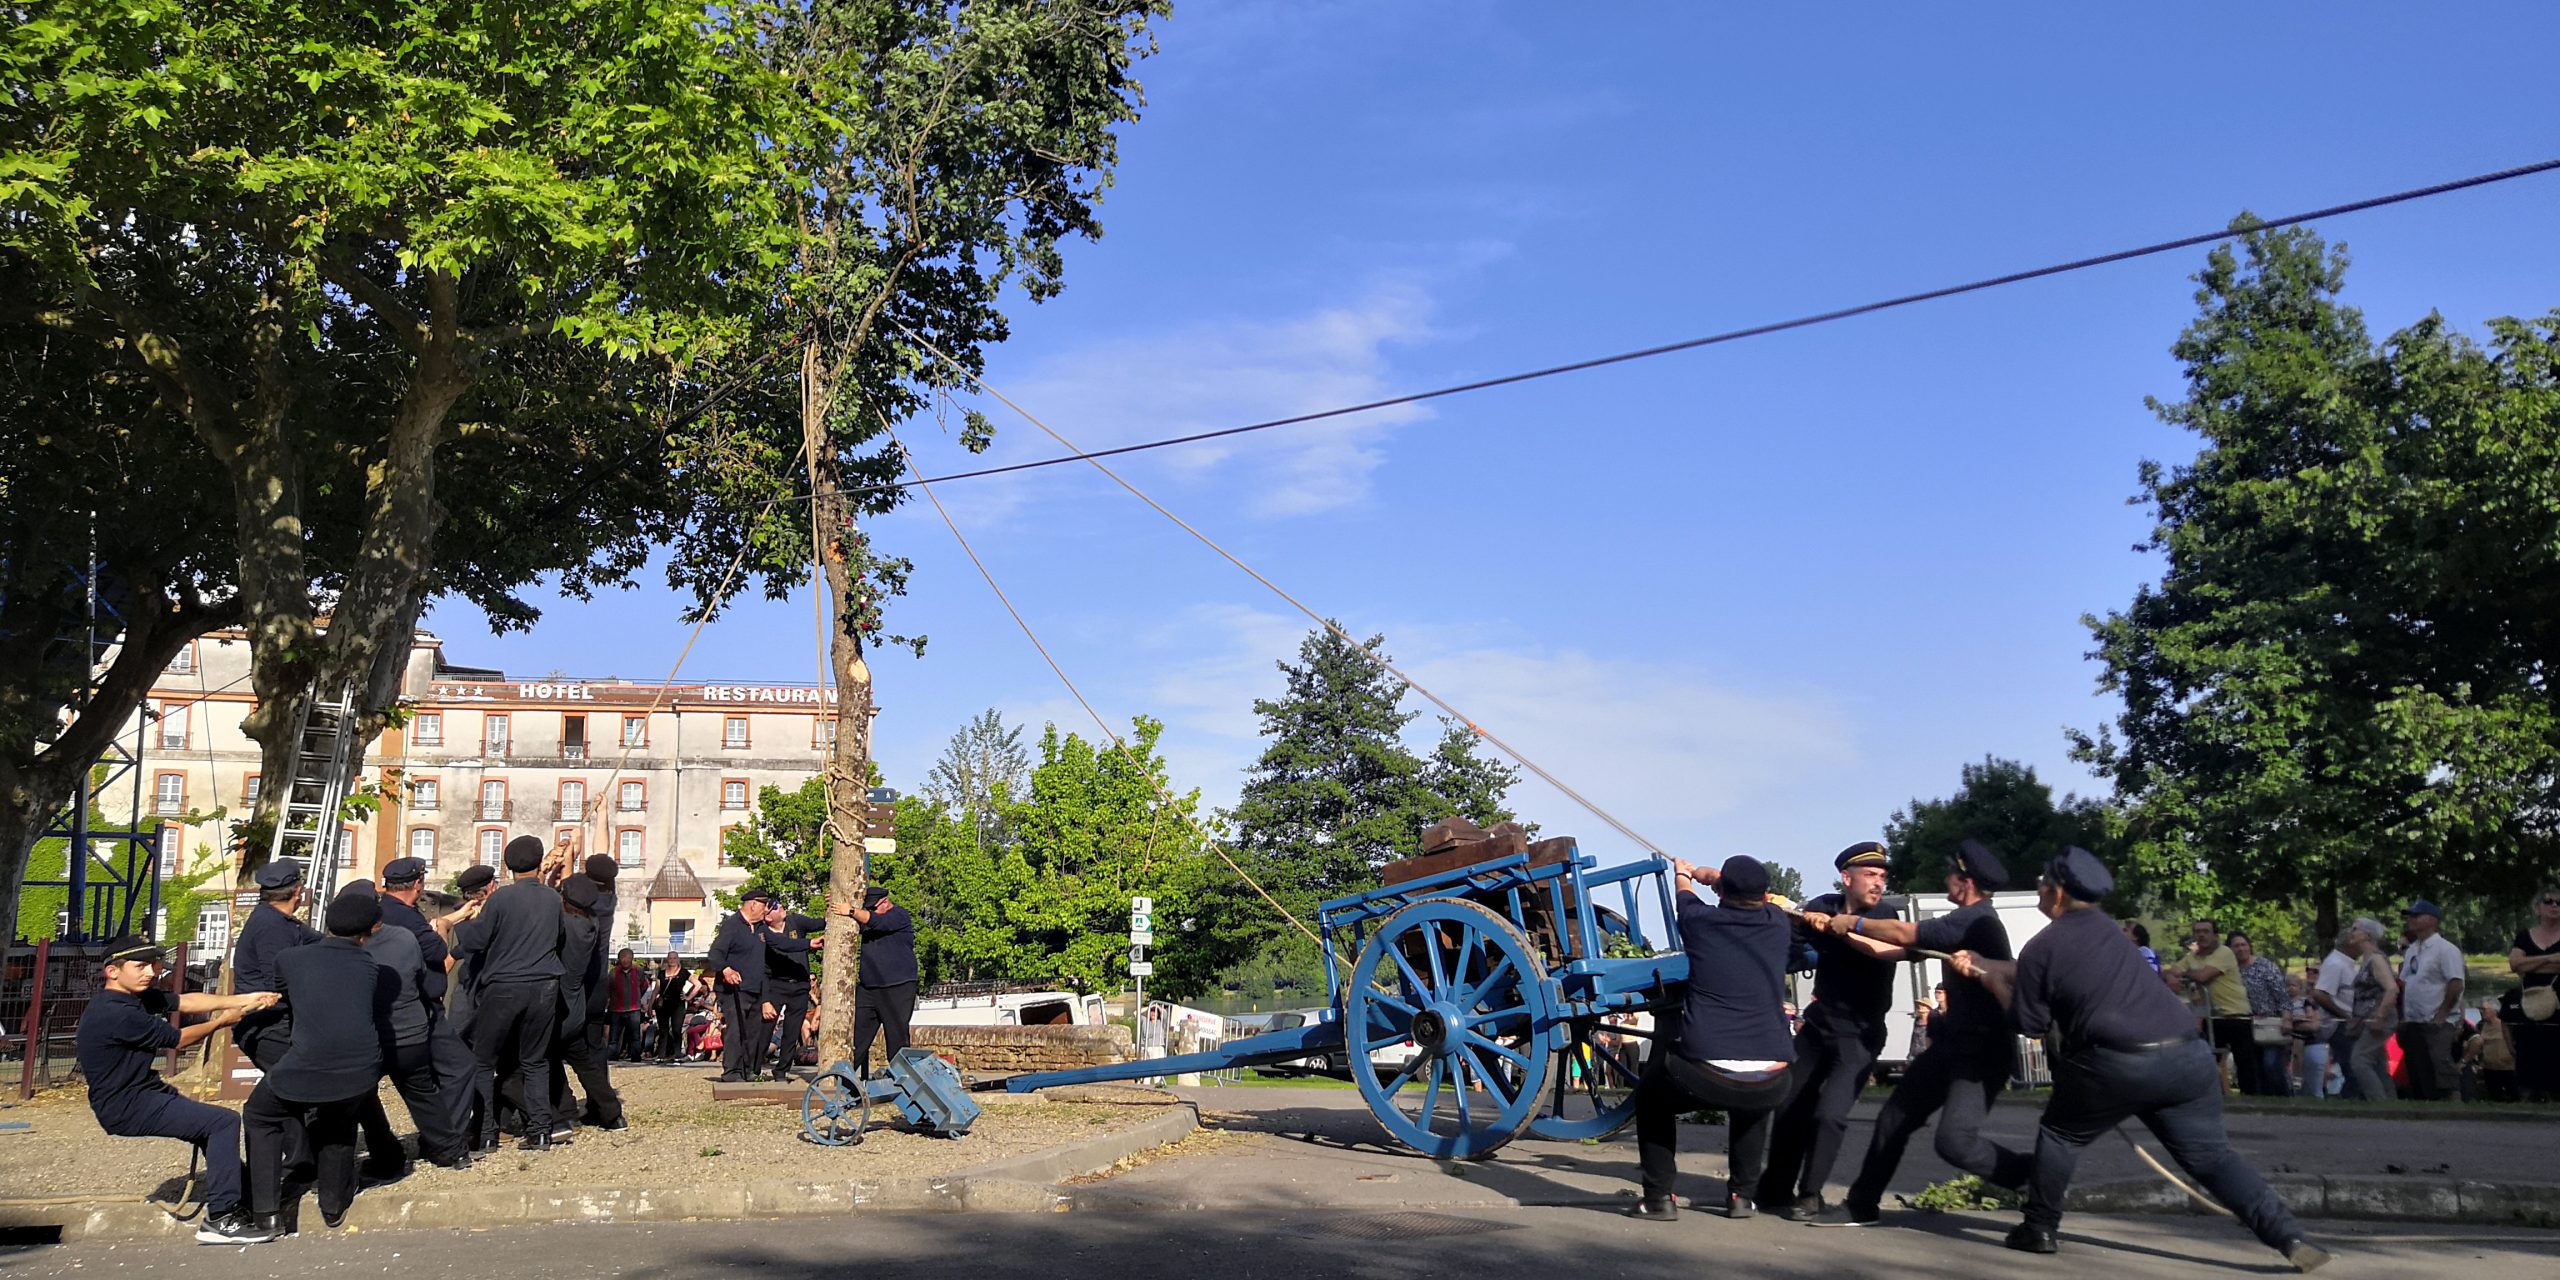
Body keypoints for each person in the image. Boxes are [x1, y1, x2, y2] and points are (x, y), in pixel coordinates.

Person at [1949, 848, 2328, 1271]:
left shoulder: (2043, 945)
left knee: (2060, 1135)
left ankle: (2039, 1228)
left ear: (2057, 894)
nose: (2038, 890)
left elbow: (2029, 1023)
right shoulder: (2113, 935)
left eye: (2042, 884)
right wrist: (1995, 968)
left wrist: (1985, 977)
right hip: (2187, 1057)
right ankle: (2289, 1237)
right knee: (2213, 1159)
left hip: (2114, 1062)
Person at [1803, 839, 2028, 1228]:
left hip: (1982, 1052)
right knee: (1893, 1119)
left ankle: (2033, 1176)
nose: (1946, 879)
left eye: (1951, 874)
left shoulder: (1976, 920)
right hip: (1953, 1044)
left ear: (1965, 882)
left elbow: (1902, 933)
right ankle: (1862, 1204)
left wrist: (1852, 921)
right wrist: (1833, 928)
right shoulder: (1967, 921)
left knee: (1955, 1143)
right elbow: (1885, 950)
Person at [76, 936, 279, 1245]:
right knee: (222, 1122)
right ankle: (222, 1219)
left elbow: (186, 1001)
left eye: (153, 965)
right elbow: (178, 1039)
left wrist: (244, 999)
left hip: (146, 1092)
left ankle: (246, 1197)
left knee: (208, 1129)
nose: (150, 972)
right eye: (140, 966)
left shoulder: (135, 998)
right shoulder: (116, 1013)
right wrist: (224, 1021)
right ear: (112, 972)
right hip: (126, 1105)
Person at [1624, 855, 1796, 1220]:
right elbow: (1773, 900)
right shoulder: (1778, 924)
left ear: (1722, 892)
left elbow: (1684, 892)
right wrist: (1717, 878)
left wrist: (1686, 873)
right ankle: (1741, 1197)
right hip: (1774, 1072)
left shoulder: (1700, 921)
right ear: (1764, 895)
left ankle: (1658, 1199)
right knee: (1753, 1098)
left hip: (1705, 1069)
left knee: (1652, 1097)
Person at [1755, 841, 1904, 1220]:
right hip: (1819, 1027)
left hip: (1861, 1032)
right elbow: (1794, 946)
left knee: (1830, 1115)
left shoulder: (1885, 916)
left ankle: (1810, 1194)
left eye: (1882, 876)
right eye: (1870, 875)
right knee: (1788, 1105)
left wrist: (1843, 929)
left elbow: (1879, 945)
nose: (1878, 883)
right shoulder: (1824, 906)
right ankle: (1775, 1189)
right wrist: (1794, 918)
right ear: (1846, 878)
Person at [244, 890, 393, 1233]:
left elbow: (283, 994)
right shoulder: (370, 966)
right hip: (362, 1067)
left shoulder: (290, 959)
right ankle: (333, 1204)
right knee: (340, 1122)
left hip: (307, 1062)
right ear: (371, 930)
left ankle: (266, 1211)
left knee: (260, 1114)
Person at [336, 879, 468, 1169]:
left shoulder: (342, 951)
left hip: (370, 1037)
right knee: (423, 1093)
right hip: (411, 1031)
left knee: (361, 1098)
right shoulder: (404, 938)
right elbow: (422, 973)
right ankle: (452, 1152)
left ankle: (387, 1158)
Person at [450, 835, 567, 1150]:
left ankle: (486, 1134)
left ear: (508, 865)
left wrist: (452, 927)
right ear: (538, 860)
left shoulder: (501, 899)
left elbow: (478, 941)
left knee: (483, 1061)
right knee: (535, 1060)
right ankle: (541, 1131)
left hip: (505, 985)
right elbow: (559, 937)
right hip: (545, 984)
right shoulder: (553, 898)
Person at [550, 874, 624, 1130]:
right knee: (584, 1062)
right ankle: (613, 1113)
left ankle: (565, 1110)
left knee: (546, 1058)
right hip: (577, 1002)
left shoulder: (564, 926)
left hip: (559, 1004)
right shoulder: (591, 923)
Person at [837, 884, 919, 1078]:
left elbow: (877, 922)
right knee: (857, 1037)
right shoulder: (867, 918)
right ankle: (844, 1082)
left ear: (884, 902)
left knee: (896, 1037)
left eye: (872, 907)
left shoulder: (898, 916)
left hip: (898, 986)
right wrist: (835, 903)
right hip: (869, 988)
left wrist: (850, 910)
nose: (869, 911)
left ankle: (904, 1080)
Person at [2169, 919, 2255, 1094]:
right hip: (2213, 1017)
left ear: (2215, 935)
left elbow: (2203, 976)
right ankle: (2209, 1097)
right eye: (2197, 931)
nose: (2201, 935)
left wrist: (2183, 974)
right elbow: (2170, 971)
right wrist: (2170, 976)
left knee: (2245, 1063)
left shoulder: (2224, 953)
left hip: (2236, 1015)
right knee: (2205, 1060)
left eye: (2206, 931)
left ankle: (2252, 1098)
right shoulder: (2192, 957)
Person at [2394, 900, 2466, 1101]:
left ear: (2432, 920)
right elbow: (2405, 982)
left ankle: (2453, 1103)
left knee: (2440, 1063)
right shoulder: (2412, 950)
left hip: (2436, 1020)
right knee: (2417, 1066)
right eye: (2410, 916)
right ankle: (2424, 1102)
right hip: (2413, 1020)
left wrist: (2442, 1014)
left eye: (2416, 915)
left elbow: (2455, 982)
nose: (2411, 920)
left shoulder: (2445, 949)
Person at [706, 889, 776, 1083]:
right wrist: (726, 970)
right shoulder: (732, 926)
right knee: (737, 1030)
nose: (766, 911)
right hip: (734, 990)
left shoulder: (761, 929)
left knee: (753, 1032)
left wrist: (808, 943)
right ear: (753, 904)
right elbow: (715, 954)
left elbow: (780, 942)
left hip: (755, 988)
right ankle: (731, 1071)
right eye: (764, 906)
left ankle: (747, 1070)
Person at [2503, 886, 2560, 1102]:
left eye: (2558, 902)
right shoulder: (2525, 936)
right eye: (2548, 901)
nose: (2554, 905)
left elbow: (2523, 965)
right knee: (2529, 1055)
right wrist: (2551, 959)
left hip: (2558, 1011)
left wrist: (2530, 963)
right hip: (2531, 1006)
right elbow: (2515, 964)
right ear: (2537, 908)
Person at [761, 905, 827, 1081]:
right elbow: (784, 945)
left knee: (791, 1031)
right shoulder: (763, 933)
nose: (781, 907)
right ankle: (754, 1065)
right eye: (775, 907)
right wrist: (808, 943)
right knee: (765, 1028)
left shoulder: (795, 921)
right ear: (768, 917)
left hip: (799, 985)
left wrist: (830, 904)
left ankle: (782, 1070)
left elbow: (822, 922)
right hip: (776, 984)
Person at [2340, 918, 2401, 1101]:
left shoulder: (2375, 959)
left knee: (2359, 1061)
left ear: (2368, 935)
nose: (2351, 932)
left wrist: (2380, 1018)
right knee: (2377, 1063)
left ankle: (2378, 1101)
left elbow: (2392, 989)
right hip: (2368, 1018)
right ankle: (2391, 1102)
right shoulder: (2366, 959)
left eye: (2355, 929)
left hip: (2378, 1019)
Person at [2230, 932, 2291, 1096]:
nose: (2241, 949)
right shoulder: (2231, 972)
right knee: (2254, 1068)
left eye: (2244, 944)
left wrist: (2286, 1018)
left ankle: (2284, 1096)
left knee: (2271, 1064)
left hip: (2270, 1024)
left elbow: (2282, 995)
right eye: (2236, 945)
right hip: (2245, 1025)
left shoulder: (2266, 966)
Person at [2310, 929, 2361, 1098]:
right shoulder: (2335, 964)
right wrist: (2343, 1015)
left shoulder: (2344, 963)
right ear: (2350, 944)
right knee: (2352, 1066)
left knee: (2352, 1065)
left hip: (2344, 1021)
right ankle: (2350, 1099)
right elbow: (2319, 993)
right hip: (2338, 1023)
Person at [2287, 971, 2331, 1099]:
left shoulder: (2305, 1001)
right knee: (2296, 1054)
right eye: (2287, 986)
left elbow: (2311, 1016)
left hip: (2302, 1026)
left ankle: (2298, 1078)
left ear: (2300, 988)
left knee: (2298, 1051)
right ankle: (2296, 1078)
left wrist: (2307, 1017)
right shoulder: (2285, 1002)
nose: (2290, 988)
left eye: (2293, 985)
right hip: (2292, 1029)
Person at [2462, 1000, 2517, 1102]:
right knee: (2494, 1098)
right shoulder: (2480, 1025)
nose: (2481, 1012)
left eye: (2484, 1009)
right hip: (2489, 1068)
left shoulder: (2506, 1025)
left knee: (2513, 1097)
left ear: (2494, 1011)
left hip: (2507, 1068)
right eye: (2479, 1009)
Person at [651, 953, 696, 1065]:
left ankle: (677, 1055)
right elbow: (656, 990)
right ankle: (661, 1055)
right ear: (667, 960)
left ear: (678, 959)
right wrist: (651, 1005)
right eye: (670, 958)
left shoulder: (684, 972)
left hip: (677, 1004)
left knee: (676, 1030)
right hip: (663, 1005)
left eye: (674, 958)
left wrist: (688, 997)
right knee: (663, 1030)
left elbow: (698, 984)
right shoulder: (661, 974)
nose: (672, 960)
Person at [607, 948, 649, 1063]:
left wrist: (637, 997)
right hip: (616, 1009)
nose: (625, 960)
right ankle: (612, 1057)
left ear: (632, 958)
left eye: (628, 957)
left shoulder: (639, 971)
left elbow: (644, 986)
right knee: (614, 1037)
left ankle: (635, 1057)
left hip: (634, 1008)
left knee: (635, 1036)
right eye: (623, 957)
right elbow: (608, 989)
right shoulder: (613, 972)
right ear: (619, 959)